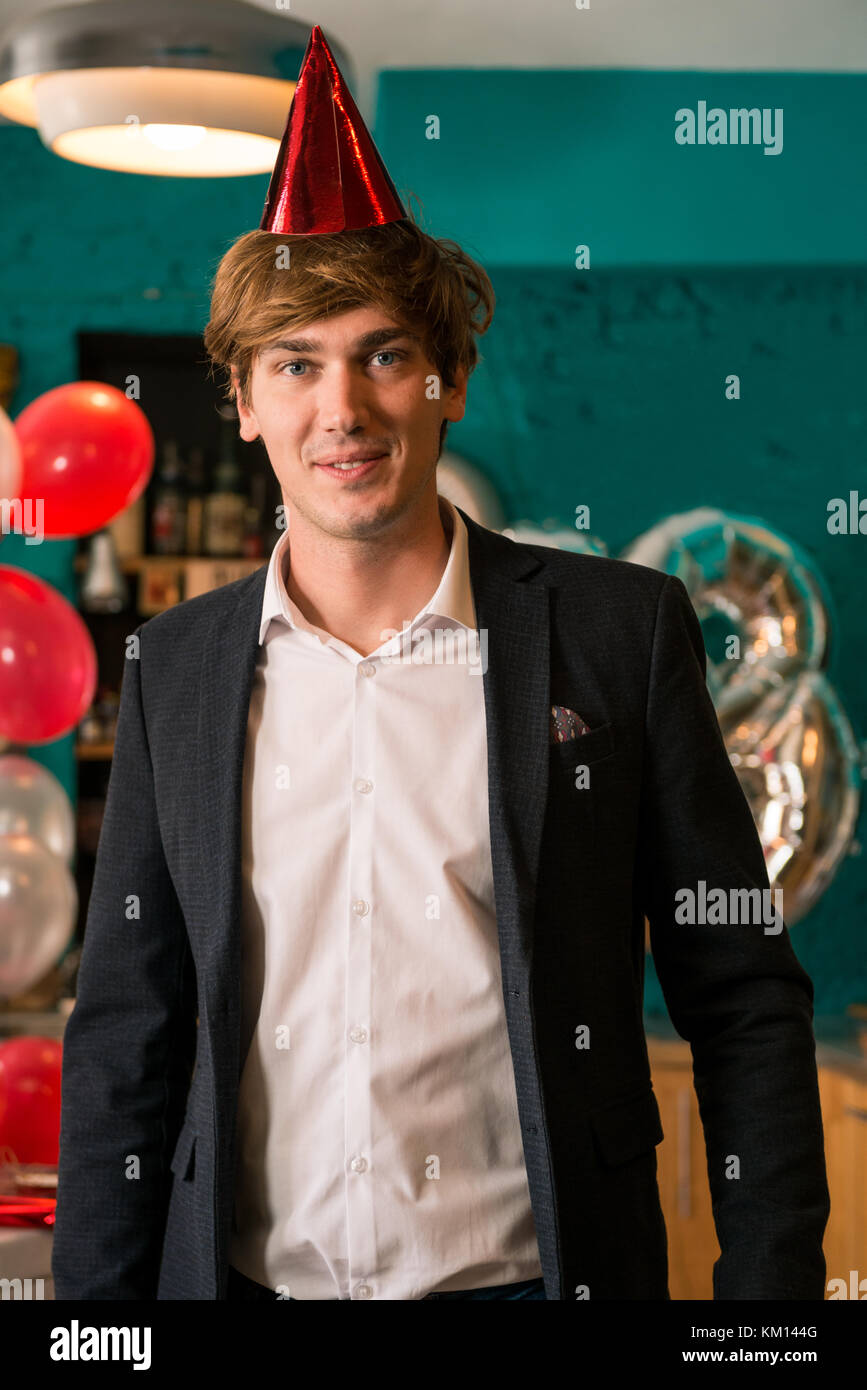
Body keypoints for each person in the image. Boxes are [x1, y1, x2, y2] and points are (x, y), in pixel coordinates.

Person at [52, 27, 829, 1302]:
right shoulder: (176, 669)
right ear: (243, 400)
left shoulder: (618, 635)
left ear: (449, 378)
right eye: (295, 366)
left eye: (383, 357)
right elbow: (129, 1030)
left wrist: (771, 1313)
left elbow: (740, 989)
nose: (341, 410)